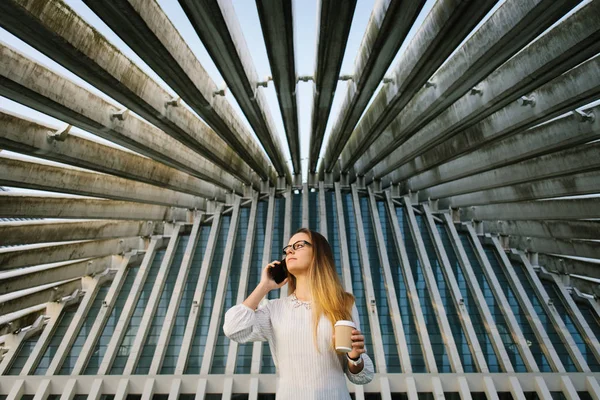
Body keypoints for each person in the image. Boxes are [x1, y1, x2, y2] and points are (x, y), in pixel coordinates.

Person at [223, 228, 374, 400]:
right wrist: (264, 286)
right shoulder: (274, 309)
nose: (289, 251)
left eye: (299, 245)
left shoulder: (343, 303)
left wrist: (354, 357)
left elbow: (362, 376)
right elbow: (233, 328)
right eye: (287, 249)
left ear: (318, 253)